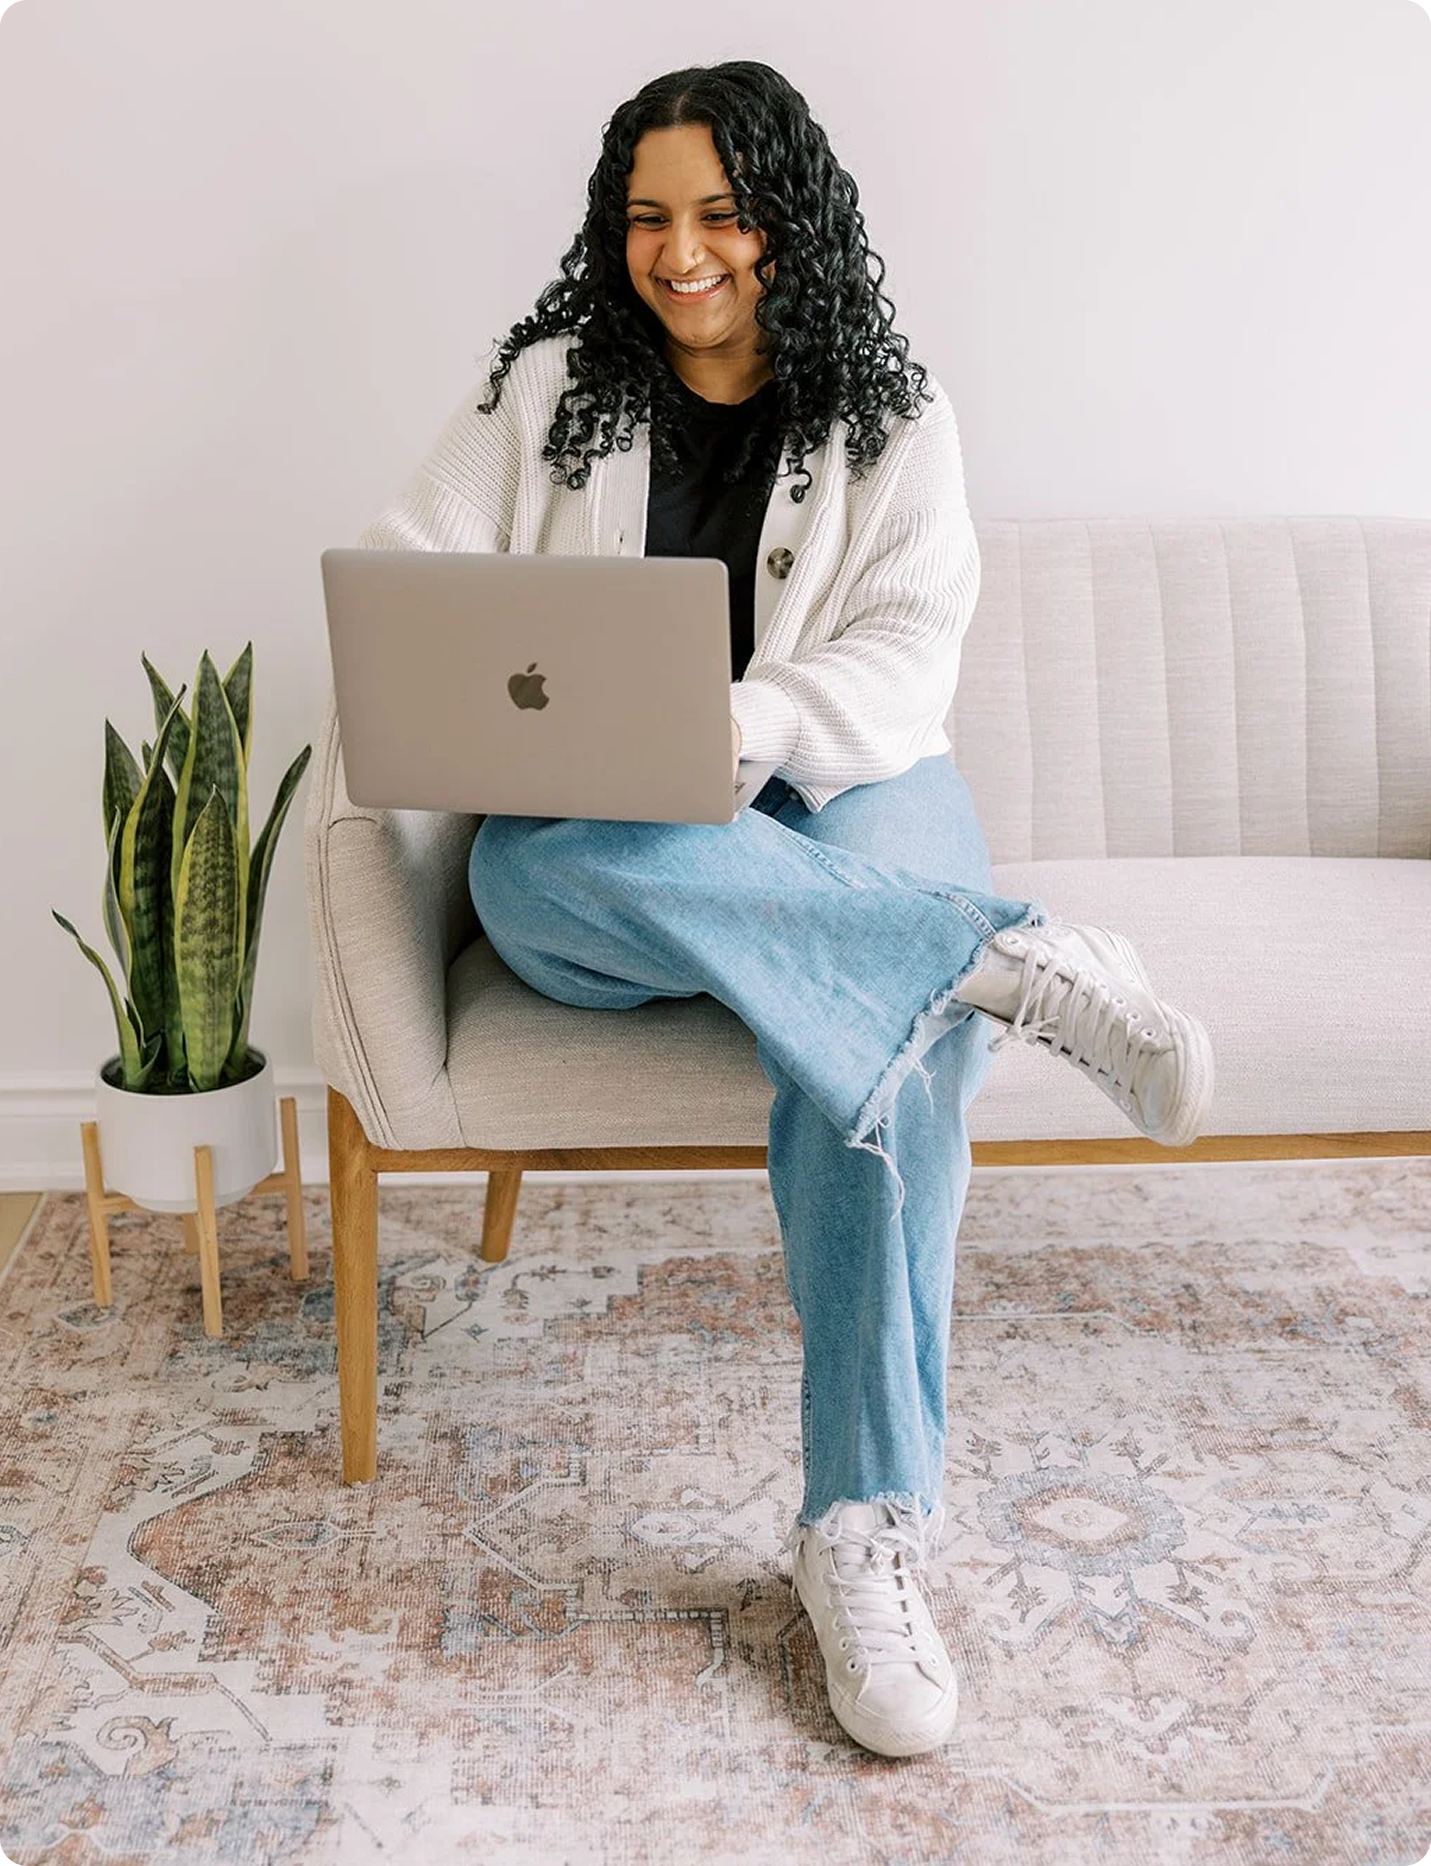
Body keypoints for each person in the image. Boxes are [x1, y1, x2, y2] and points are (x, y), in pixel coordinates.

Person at [355, 61, 1215, 1761]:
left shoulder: (895, 412)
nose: (683, 254)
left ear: (786, 222)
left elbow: (901, 659)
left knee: (881, 1057)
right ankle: (989, 959)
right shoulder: (542, 393)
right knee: (526, 871)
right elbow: (411, 574)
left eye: (721, 213)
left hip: (846, 776)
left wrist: (731, 729)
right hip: (605, 833)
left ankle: (862, 1526)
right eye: (649, 218)